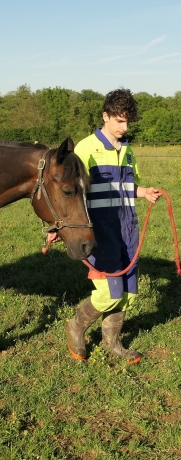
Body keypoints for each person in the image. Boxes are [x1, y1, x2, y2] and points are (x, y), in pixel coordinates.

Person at [65, 88, 162, 364]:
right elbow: (68, 193)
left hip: (127, 229)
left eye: (128, 121)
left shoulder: (128, 150)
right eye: (119, 121)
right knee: (108, 293)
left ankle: (112, 343)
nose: (124, 127)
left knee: (129, 293)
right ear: (105, 116)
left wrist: (143, 192)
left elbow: (126, 186)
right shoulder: (85, 149)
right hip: (100, 231)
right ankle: (76, 326)